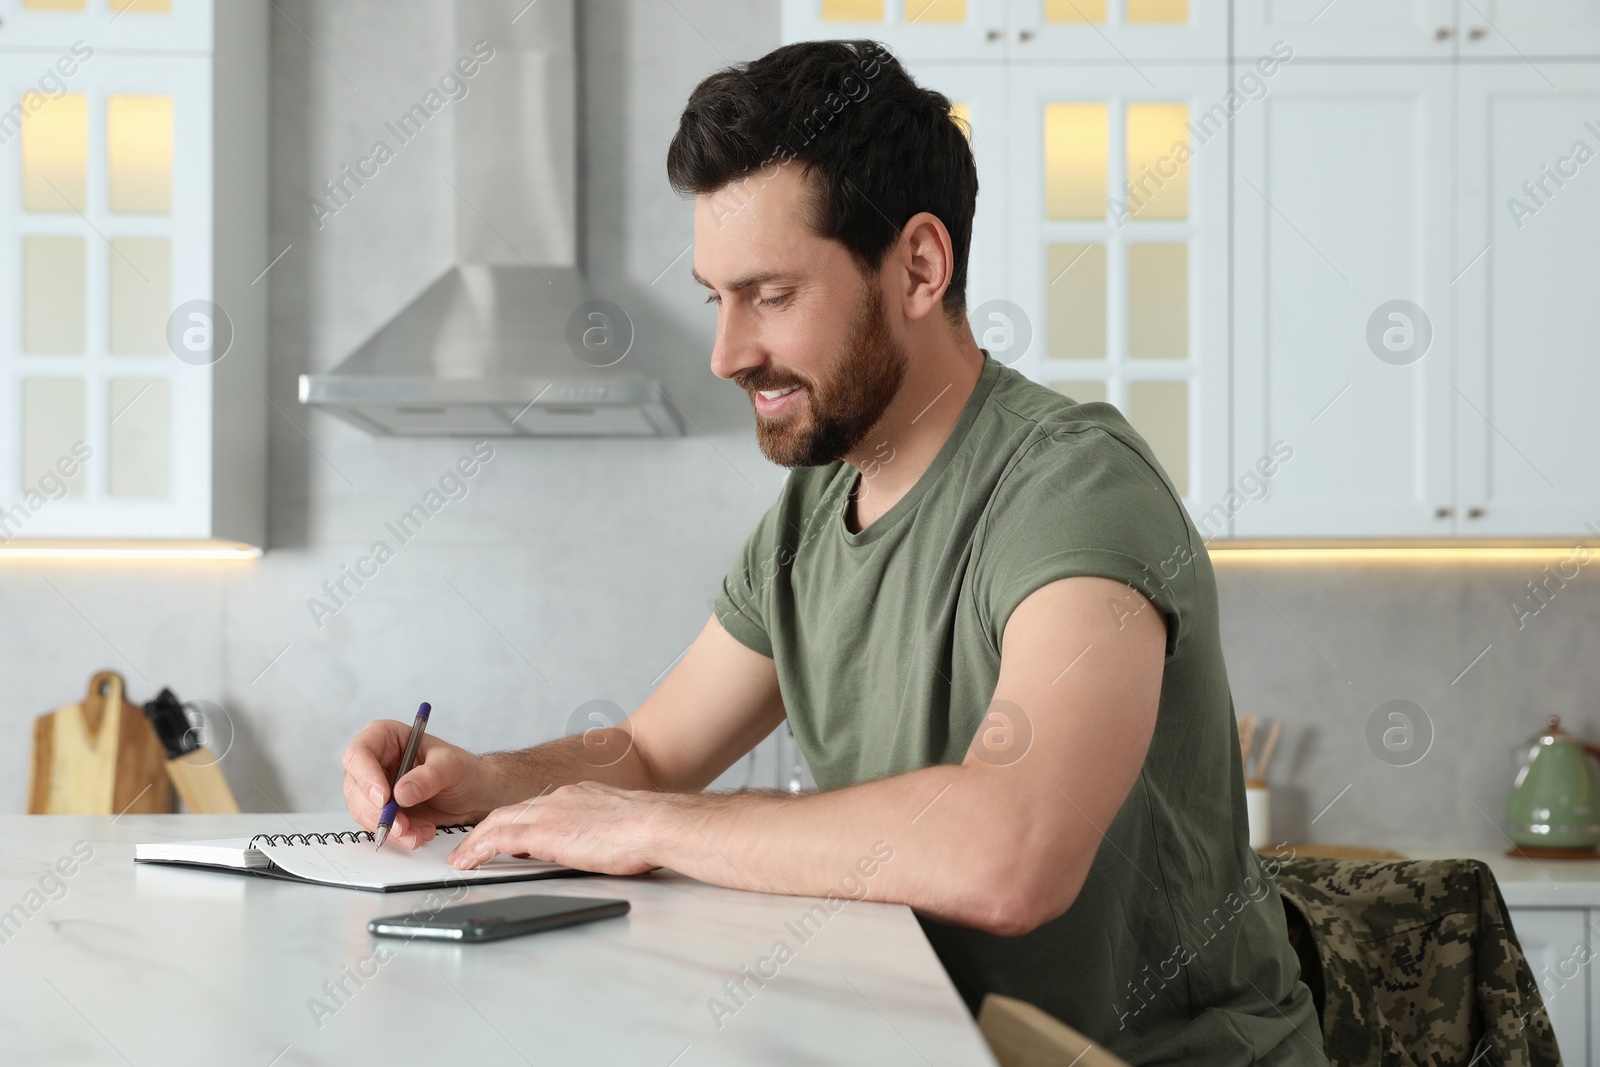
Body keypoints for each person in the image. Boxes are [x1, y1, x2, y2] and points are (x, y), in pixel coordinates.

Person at [342, 39, 1327, 1065]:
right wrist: (483, 778)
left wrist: (653, 828)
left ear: (918, 267)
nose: (727, 353)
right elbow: (650, 754)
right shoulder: (816, 507)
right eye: (714, 297)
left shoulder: (1071, 485)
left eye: (769, 295)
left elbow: (1014, 853)